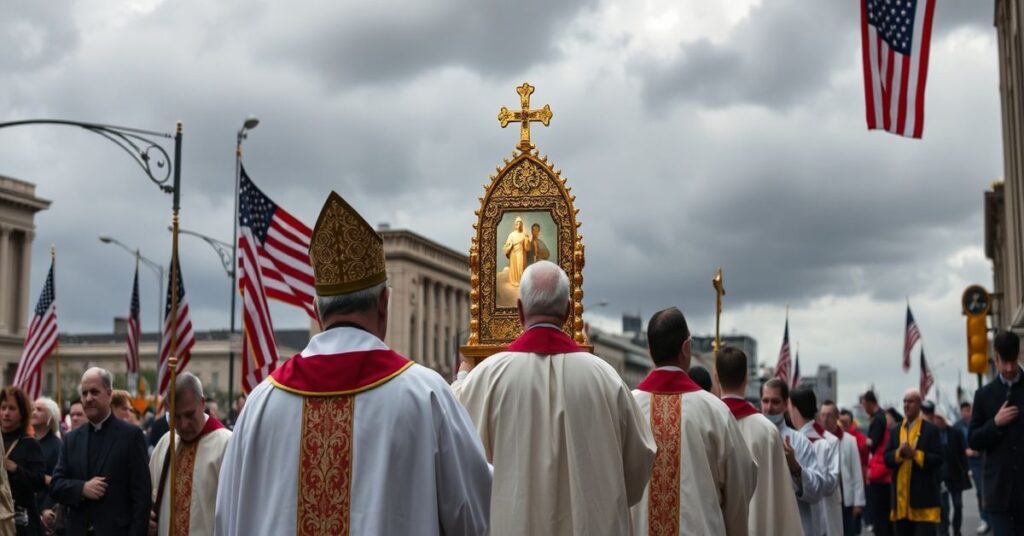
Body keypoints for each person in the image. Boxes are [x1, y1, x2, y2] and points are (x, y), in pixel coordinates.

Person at [217, 192, 491, 535]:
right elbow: (475, 516)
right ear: (383, 304)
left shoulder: (259, 404)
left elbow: (226, 520)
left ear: (318, 312)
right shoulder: (427, 396)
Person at [453, 260, 655, 535]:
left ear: (520, 310)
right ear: (569, 311)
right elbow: (637, 465)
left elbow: (459, 458)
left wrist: (464, 373)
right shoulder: (607, 379)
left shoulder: (487, 377)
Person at [626, 314, 755, 535]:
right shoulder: (715, 410)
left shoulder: (628, 405)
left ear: (649, 350)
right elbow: (740, 482)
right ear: (687, 348)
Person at [51, 368, 152, 536]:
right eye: (84, 393)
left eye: (94, 392)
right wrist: (82, 488)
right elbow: (56, 485)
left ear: (109, 394)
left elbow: (142, 496)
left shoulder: (131, 436)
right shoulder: (71, 439)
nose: (88, 398)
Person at [716, 346, 802, 535]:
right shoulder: (768, 431)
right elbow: (782, 503)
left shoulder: (706, 424)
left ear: (717, 378)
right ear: (747, 378)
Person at [148, 373, 229, 536]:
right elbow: (149, 492)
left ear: (202, 403)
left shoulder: (226, 444)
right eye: (176, 417)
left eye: (189, 415)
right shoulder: (167, 442)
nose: (184, 425)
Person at [969, 331, 1024, 536]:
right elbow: (973, 440)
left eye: (1013, 361)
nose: (1009, 368)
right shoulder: (984, 395)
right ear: (995, 356)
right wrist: (995, 423)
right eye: (1004, 362)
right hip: (999, 494)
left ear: (1018, 354)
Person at [761, 379, 832, 535]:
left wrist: (795, 468)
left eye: (775, 402)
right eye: (765, 401)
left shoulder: (800, 443)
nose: (769, 407)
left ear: (786, 404)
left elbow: (817, 492)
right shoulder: (749, 437)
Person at [885, 389, 941, 536]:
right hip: (900, 503)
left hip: (924, 502)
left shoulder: (931, 430)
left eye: (910, 401)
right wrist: (899, 454)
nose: (906, 405)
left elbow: (938, 460)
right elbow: (887, 458)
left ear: (919, 405)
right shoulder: (895, 430)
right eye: (904, 401)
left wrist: (915, 454)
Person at [790, 388, 842, 535]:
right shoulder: (793, 440)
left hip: (823, 514)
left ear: (794, 409)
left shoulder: (828, 441)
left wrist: (807, 479)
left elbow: (831, 484)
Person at [0, 387, 45, 535]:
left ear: (22, 413)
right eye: (3, 407)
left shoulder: (29, 444)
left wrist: (15, 468)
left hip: (21, 523)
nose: (6, 413)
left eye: (12, 408)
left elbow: (39, 481)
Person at [922, 403, 970, 536]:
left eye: (940, 418)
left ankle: (957, 529)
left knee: (958, 505)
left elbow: (962, 453)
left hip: (955, 475)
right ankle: (944, 532)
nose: (938, 421)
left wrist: (965, 470)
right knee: (943, 508)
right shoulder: (932, 434)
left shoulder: (955, 433)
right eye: (936, 418)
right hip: (940, 477)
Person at [821, 401, 866, 536]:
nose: (825, 419)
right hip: (827, 499)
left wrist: (858, 502)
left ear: (836, 417)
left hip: (846, 499)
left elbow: (856, 472)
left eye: (829, 415)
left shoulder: (849, 440)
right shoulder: (817, 440)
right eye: (822, 415)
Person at [954, 401, 988, 535]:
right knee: (980, 490)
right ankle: (984, 518)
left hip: (982, 458)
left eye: (968, 410)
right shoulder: (957, 426)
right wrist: (965, 451)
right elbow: (956, 445)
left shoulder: (979, 422)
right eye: (963, 410)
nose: (966, 413)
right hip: (969, 461)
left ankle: (987, 518)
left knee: (986, 490)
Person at [863, 389, 894, 536]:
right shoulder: (882, 417)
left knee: (880, 514)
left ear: (870, 403)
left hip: (879, 472)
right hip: (885, 472)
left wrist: (861, 441)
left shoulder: (878, 419)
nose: (864, 409)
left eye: (864, 405)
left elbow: (872, 443)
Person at [31, 397, 61, 533]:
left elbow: (58, 480)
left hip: (44, 513)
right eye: (33, 409)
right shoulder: (28, 443)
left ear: (51, 416)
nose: (34, 412)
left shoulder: (57, 446)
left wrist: (46, 508)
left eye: (39, 409)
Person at [502, 216, 529, 286]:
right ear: (515, 225)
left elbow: (527, 248)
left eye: (520, 223)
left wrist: (527, 238)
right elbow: (506, 247)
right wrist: (510, 246)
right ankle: (514, 281)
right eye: (517, 223)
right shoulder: (512, 234)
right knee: (514, 268)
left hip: (522, 254)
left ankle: (521, 281)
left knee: (521, 268)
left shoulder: (524, 234)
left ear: (522, 225)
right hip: (514, 253)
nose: (519, 225)